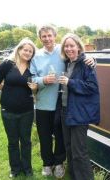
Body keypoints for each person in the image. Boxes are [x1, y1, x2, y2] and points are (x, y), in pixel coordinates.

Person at [30, 25, 95, 178]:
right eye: (43, 36)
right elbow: (31, 78)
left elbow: (78, 59)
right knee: (44, 136)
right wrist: (43, 80)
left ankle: (59, 163)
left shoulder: (63, 51)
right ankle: (47, 163)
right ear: (40, 38)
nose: (47, 39)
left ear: (55, 36)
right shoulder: (36, 56)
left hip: (62, 105)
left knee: (61, 137)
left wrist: (92, 58)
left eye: (49, 35)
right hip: (43, 103)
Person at [0, 38, 38, 178]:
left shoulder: (33, 67)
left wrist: (35, 88)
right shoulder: (7, 64)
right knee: (12, 141)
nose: (28, 53)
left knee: (26, 141)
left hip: (27, 111)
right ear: (19, 49)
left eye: (30, 51)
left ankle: (27, 168)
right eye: (25, 50)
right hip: (8, 110)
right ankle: (15, 169)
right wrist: (8, 93)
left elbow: (36, 89)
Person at [58, 33, 100, 180]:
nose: (69, 48)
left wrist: (70, 82)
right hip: (66, 111)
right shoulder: (67, 63)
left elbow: (92, 87)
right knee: (69, 148)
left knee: (79, 152)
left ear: (78, 47)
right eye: (66, 46)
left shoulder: (86, 64)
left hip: (79, 114)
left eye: (72, 45)